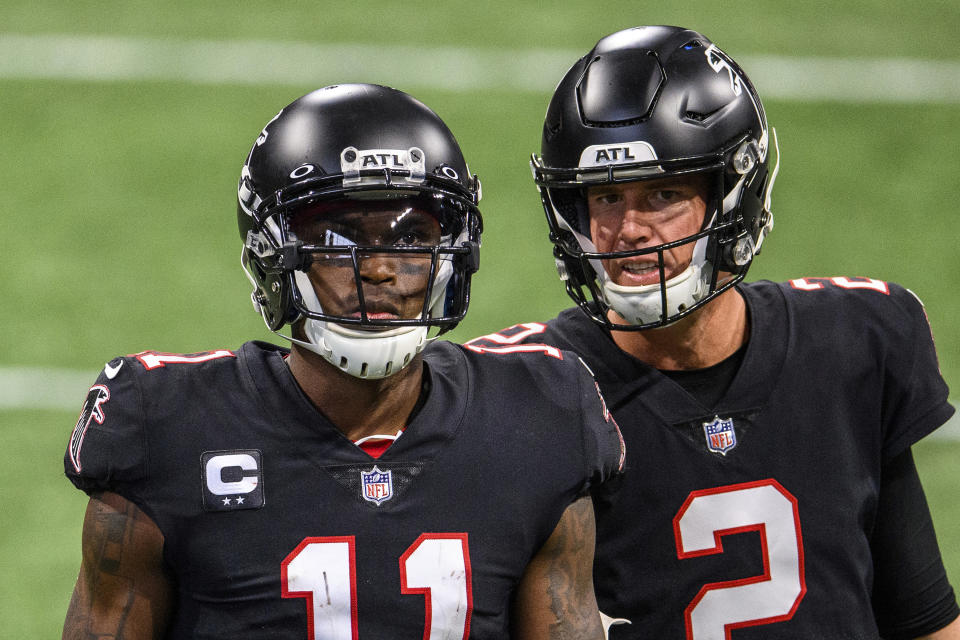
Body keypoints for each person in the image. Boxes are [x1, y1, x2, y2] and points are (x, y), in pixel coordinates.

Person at [62, 84, 625, 639]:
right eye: (338, 240)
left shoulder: (537, 418)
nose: (379, 269)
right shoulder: (165, 428)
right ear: (272, 252)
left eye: (411, 238)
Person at [466, 26, 960, 639]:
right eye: (607, 196)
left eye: (665, 193)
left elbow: (925, 616)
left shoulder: (852, 342)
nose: (629, 229)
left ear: (733, 194)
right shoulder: (527, 389)